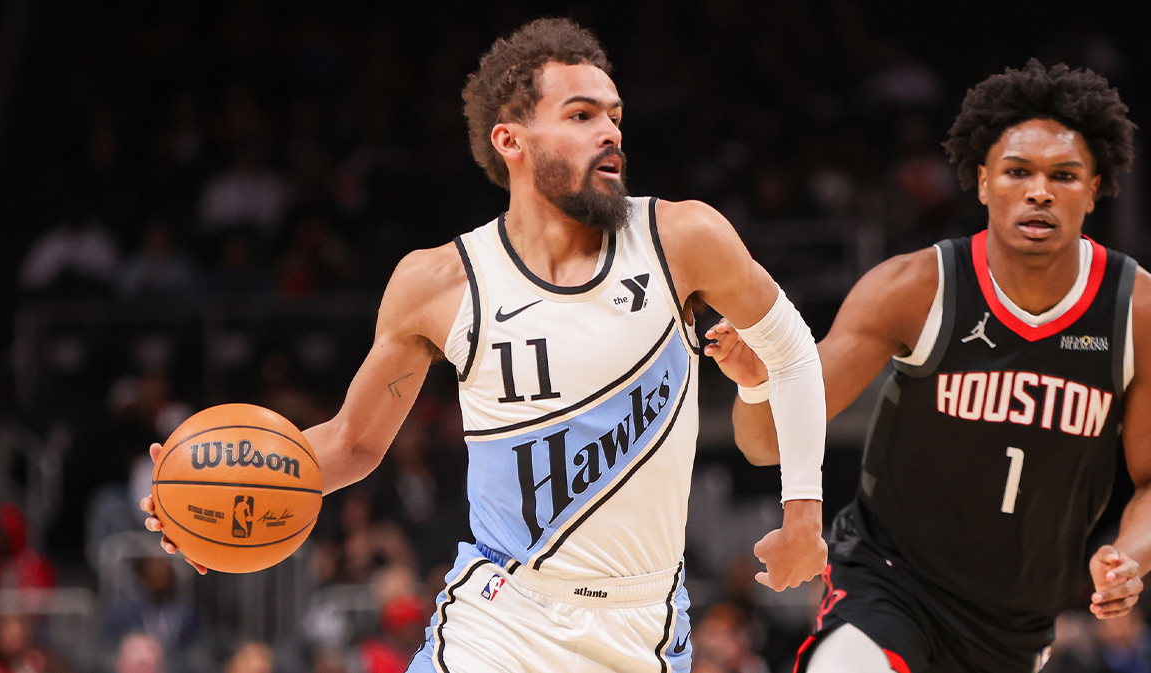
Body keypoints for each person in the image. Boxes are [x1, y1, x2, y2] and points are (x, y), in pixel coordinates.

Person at [143, 17, 828, 673]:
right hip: (502, 617)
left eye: (615, 115)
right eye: (582, 115)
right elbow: (351, 442)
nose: (610, 132)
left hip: (643, 624)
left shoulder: (682, 239)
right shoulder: (438, 282)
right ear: (512, 140)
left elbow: (792, 348)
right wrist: (206, 501)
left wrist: (803, 515)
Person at [705, 60, 1150, 672]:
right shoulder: (914, 288)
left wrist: (1130, 553)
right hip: (891, 583)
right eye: (1018, 171)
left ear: (1096, 187)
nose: (1040, 190)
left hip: (1018, 621)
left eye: (1065, 175)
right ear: (983, 181)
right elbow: (764, 445)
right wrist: (761, 384)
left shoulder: (1136, 310)